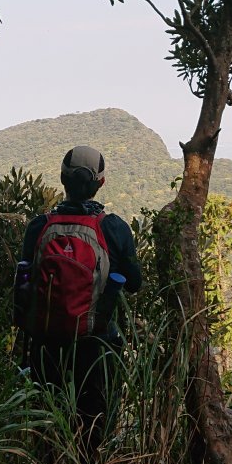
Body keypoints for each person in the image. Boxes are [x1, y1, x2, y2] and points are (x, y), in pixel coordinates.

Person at [20, 144, 142, 448]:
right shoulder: (113, 228)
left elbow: (25, 278)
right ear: (100, 184)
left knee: (45, 423)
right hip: (95, 343)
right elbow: (135, 283)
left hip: (45, 343)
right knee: (93, 427)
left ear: (62, 179)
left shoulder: (39, 227)